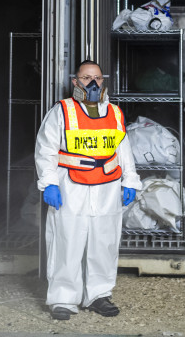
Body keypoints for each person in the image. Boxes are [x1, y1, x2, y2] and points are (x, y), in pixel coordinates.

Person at [34, 60, 141, 321]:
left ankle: (98, 295)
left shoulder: (115, 112)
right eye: (85, 78)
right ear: (75, 82)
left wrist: (130, 180)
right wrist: (49, 183)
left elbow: (123, 150)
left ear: (103, 82)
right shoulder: (62, 111)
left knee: (104, 243)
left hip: (107, 187)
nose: (92, 84)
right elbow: (45, 149)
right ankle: (62, 299)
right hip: (71, 187)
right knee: (66, 242)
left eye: (97, 78)